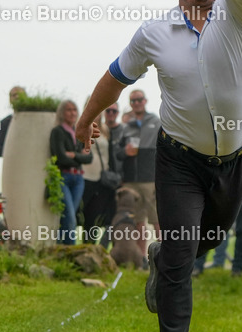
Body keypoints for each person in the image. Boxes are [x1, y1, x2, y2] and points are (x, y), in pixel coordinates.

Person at [75, 0, 242, 332]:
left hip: (235, 160)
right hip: (178, 159)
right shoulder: (154, 33)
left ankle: (161, 256)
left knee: (206, 240)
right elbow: (116, 77)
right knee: (180, 256)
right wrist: (86, 119)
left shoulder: (241, 14)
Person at [195, 116, 242, 277]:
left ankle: (237, 268)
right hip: (217, 182)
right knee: (208, 225)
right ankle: (197, 266)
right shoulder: (212, 119)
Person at [117, 89, 161, 258]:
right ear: (130, 103)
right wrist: (125, 151)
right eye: (133, 101)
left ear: (145, 101)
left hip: (149, 179)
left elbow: (164, 149)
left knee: (156, 218)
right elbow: (118, 153)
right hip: (130, 180)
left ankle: (165, 255)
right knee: (138, 221)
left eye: (139, 100)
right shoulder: (127, 125)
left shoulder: (155, 121)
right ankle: (141, 258)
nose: (136, 103)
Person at [51, 100, 92, 245]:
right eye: (68, 110)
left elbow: (89, 157)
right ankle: (70, 249)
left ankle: (61, 247)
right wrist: (79, 156)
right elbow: (60, 157)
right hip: (64, 176)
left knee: (69, 216)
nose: (72, 113)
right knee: (69, 215)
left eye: (74, 109)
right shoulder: (57, 132)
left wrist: (74, 155)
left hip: (78, 179)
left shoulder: (80, 131)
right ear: (62, 113)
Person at [82, 105, 117, 243]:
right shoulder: (82, 126)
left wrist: (113, 174)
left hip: (102, 178)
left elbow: (111, 154)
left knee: (95, 216)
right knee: (82, 213)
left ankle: (90, 247)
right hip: (85, 175)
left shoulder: (105, 129)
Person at [0, 86, 25, 158]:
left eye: (20, 94)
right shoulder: (5, 123)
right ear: (10, 100)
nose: (17, 97)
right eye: (14, 95)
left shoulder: (34, 121)